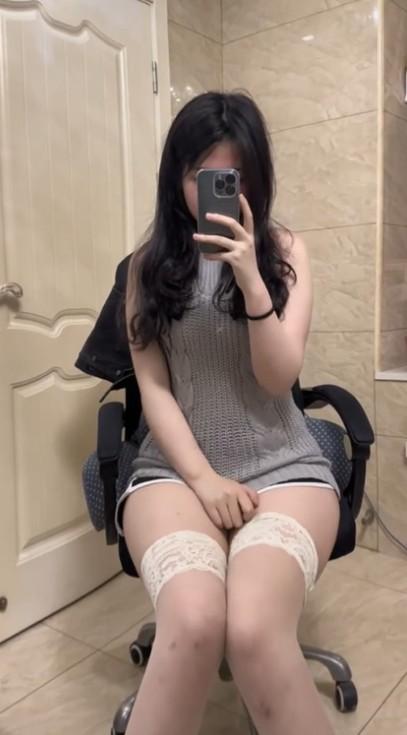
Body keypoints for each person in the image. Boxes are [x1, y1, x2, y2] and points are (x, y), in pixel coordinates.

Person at [115, 91, 340, 735]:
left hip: (285, 466)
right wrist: (205, 480)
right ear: (176, 178)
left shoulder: (286, 251)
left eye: (232, 176)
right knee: (193, 621)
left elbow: (278, 378)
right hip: (175, 472)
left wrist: (249, 277)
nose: (215, 190)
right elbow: (153, 387)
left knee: (253, 629)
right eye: (200, 176)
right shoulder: (146, 267)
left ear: (255, 179)